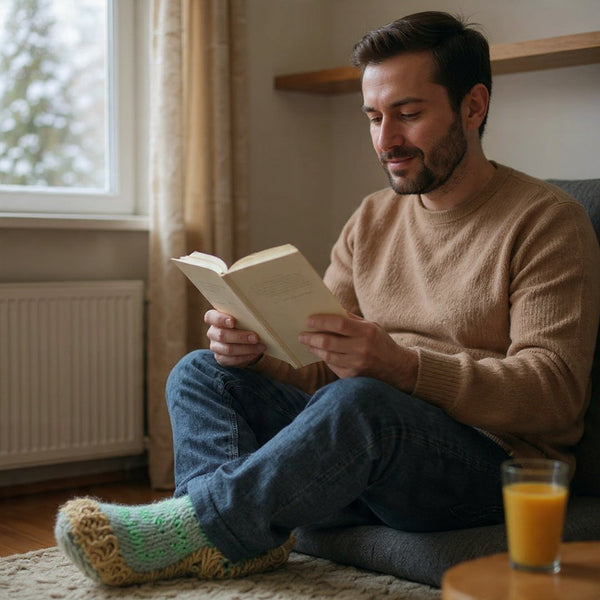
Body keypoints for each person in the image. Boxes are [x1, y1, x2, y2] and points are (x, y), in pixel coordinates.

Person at [55, 11, 600, 586]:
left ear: (473, 107)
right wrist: (256, 353)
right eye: (373, 117)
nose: (385, 139)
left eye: (409, 115)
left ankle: (198, 527)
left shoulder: (547, 222)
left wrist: (405, 368)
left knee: (363, 401)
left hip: (487, 467)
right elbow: (319, 367)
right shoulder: (372, 218)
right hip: (361, 443)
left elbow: (554, 394)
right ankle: (227, 534)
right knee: (200, 372)